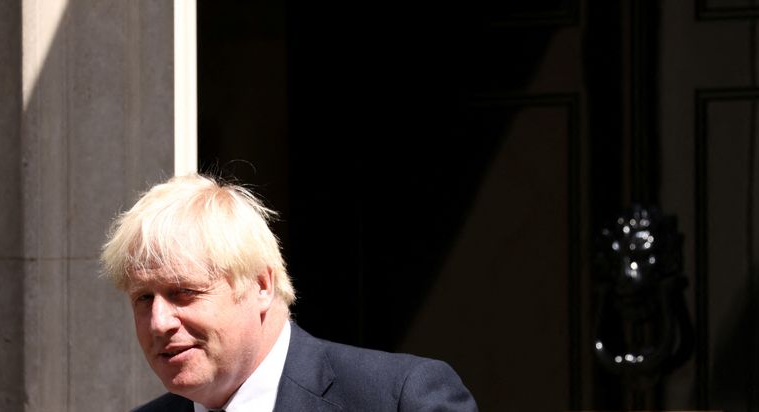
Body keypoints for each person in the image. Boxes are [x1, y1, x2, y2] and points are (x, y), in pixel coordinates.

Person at [100, 173, 478, 412]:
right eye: (144, 298)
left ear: (261, 286)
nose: (159, 322)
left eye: (184, 291)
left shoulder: (400, 399)